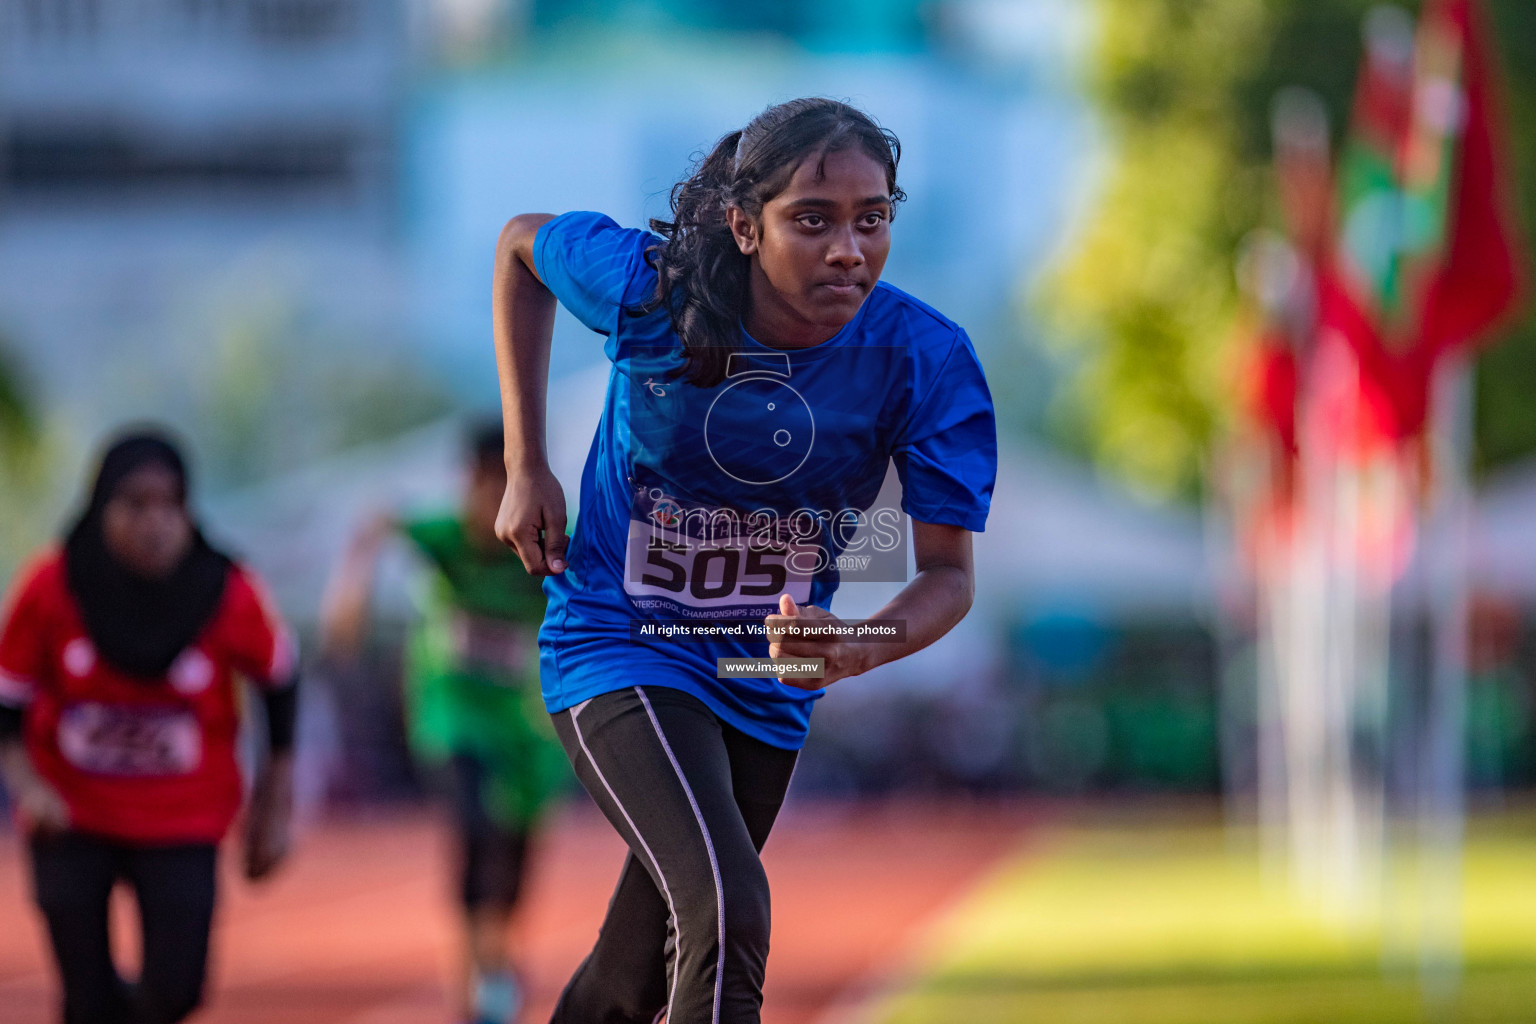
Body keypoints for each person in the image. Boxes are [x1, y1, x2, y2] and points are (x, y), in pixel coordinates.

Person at [490, 97, 996, 1024]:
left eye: (872, 219)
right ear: (743, 225)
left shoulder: (924, 359)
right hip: (620, 641)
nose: (850, 249)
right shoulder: (650, 290)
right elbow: (522, 245)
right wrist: (528, 464)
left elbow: (950, 577)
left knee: (632, 975)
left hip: (768, 675)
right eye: (813, 220)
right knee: (727, 903)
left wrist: (860, 643)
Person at [0, 429, 298, 1024]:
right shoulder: (50, 586)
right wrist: (30, 788)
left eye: (171, 505)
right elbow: (6, 703)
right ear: (100, 506)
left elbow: (281, 680)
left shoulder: (227, 591)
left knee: (177, 991)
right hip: (72, 813)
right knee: (85, 1001)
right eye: (135, 505)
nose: (155, 523)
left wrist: (273, 805)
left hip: (182, 815)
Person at [320, 422, 568, 1024]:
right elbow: (377, 522)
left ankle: (495, 954)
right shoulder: (445, 535)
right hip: (451, 719)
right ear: (471, 483)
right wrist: (350, 598)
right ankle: (479, 976)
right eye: (487, 487)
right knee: (473, 830)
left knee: (514, 857)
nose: (495, 506)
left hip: (524, 734)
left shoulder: (549, 544)